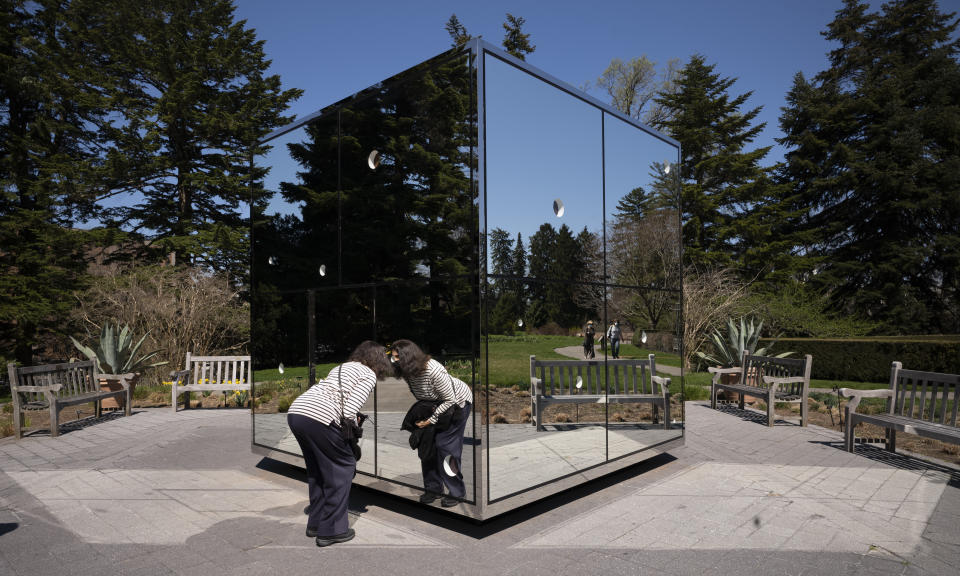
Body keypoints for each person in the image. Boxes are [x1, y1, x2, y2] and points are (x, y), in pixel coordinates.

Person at [287, 340, 392, 547]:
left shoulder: (342, 367)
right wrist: (354, 429)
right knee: (343, 467)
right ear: (379, 360)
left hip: (298, 412)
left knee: (317, 470)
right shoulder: (369, 374)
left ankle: (316, 524)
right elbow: (350, 409)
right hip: (319, 417)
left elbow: (337, 397)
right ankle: (331, 530)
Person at [390, 339, 472, 507]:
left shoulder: (434, 370)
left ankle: (457, 492)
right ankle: (433, 489)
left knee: (445, 447)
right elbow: (423, 394)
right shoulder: (407, 371)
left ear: (409, 357)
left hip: (457, 404)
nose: (394, 361)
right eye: (393, 357)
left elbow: (451, 399)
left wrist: (431, 420)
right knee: (427, 446)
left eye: (397, 357)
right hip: (433, 405)